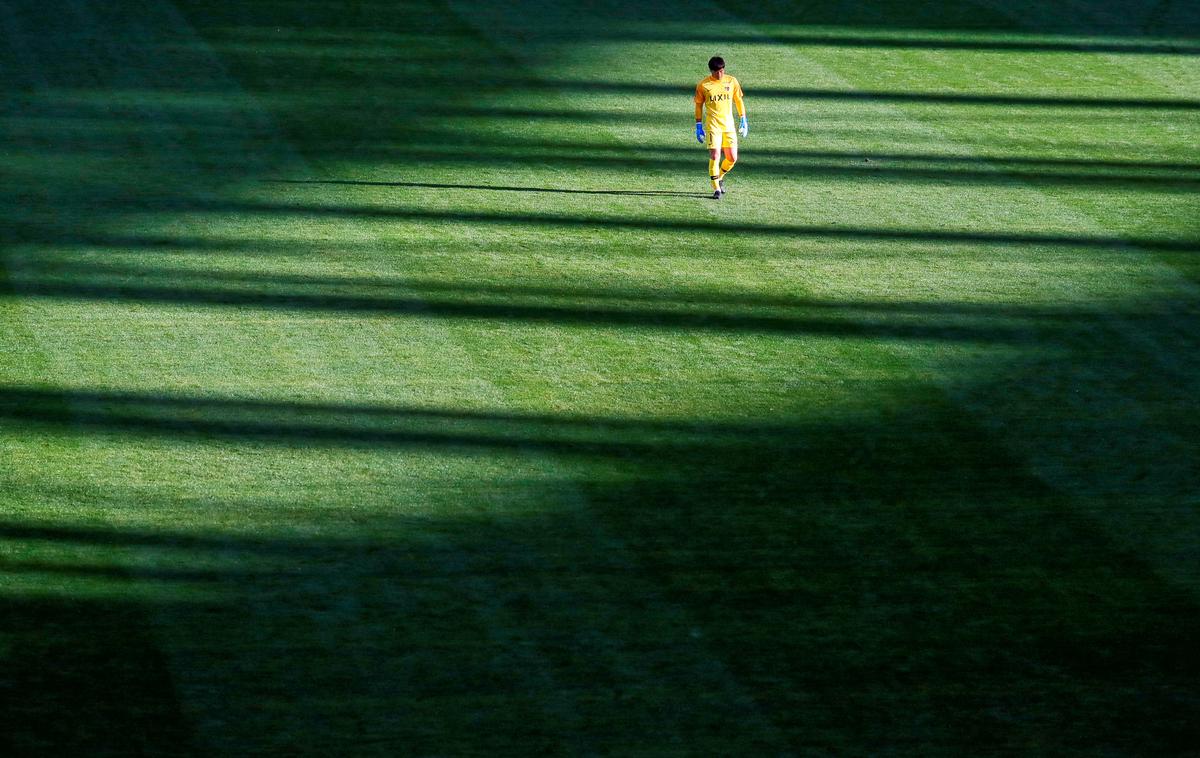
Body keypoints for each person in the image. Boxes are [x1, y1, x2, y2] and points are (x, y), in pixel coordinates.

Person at [694, 56, 748, 199]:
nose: (720, 74)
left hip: (729, 126)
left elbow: (738, 100)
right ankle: (716, 189)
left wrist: (743, 118)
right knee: (715, 155)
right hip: (713, 126)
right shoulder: (703, 85)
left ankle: (720, 176)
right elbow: (698, 105)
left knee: (732, 158)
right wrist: (698, 124)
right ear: (712, 71)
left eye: (722, 71)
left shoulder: (731, 81)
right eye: (717, 72)